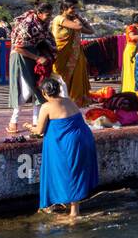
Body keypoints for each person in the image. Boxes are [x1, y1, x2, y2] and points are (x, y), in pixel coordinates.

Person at [32, 78, 98, 220]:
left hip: (70, 142)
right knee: (75, 171)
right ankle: (72, 206)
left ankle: (74, 213)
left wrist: (27, 127)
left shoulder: (47, 107)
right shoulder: (68, 100)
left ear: (44, 93)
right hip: (84, 137)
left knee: (68, 172)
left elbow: (39, 131)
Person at [8, 1, 54, 134]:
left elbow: (45, 40)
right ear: (39, 14)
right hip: (21, 56)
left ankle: (36, 123)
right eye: (47, 15)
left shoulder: (43, 24)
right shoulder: (27, 24)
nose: (50, 17)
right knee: (28, 91)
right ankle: (13, 121)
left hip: (33, 55)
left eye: (51, 14)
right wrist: (38, 58)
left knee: (38, 90)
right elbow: (18, 47)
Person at [51, 0, 93, 105]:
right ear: (65, 8)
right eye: (73, 8)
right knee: (60, 78)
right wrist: (78, 20)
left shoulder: (73, 21)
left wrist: (81, 19)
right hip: (61, 54)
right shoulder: (59, 19)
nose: (75, 11)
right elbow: (78, 27)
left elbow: (91, 31)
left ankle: (73, 101)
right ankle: (58, 101)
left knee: (76, 78)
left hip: (75, 54)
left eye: (76, 8)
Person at [120, 23, 138, 95]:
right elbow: (132, 37)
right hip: (131, 50)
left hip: (135, 49)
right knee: (132, 70)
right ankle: (132, 89)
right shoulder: (131, 28)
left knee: (135, 70)